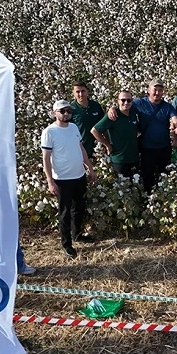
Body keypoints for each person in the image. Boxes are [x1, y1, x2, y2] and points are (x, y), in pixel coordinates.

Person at [41, 100, 97, 258]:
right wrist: (50, 181)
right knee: (64, 212)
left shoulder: (73, 127)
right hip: (62, 179)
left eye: (69, 111)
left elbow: (81, 148)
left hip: (79, 175)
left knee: (79, 207)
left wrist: (90, 168)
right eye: (62, 111)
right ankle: (67, 245)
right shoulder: (49, 132)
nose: (66, 114)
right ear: (54, 113)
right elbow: (46, 158)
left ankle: (77, 234)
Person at [109, 79, 177, 193]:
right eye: (155, 90)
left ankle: (164, 197)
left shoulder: (167, 106)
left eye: (160, 90)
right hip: (147, 149)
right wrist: (112, 108)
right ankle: (149, 197)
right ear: (148, 90)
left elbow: (175, 118)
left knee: (165, 175)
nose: (157, 93)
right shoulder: (139, 103)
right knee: (148, 177)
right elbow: (124, 105)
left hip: (164, 148)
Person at [91, 90, 139, 177]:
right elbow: (94, 131)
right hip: (119, 160)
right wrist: (107, 145)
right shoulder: (113, 115)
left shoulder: (133, 113)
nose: (126, 103)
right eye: (123, 100)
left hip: (134, 159)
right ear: (118, 101)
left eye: (129, 100)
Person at [69, 81, 104, 159]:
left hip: (98, 148)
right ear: (73, 93)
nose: (81, 94)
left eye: (83, 91)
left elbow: (104, 126)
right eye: (77, 92)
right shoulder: (70, 109)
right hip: (80, 149)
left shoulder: (96, 106)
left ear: (87, 91)